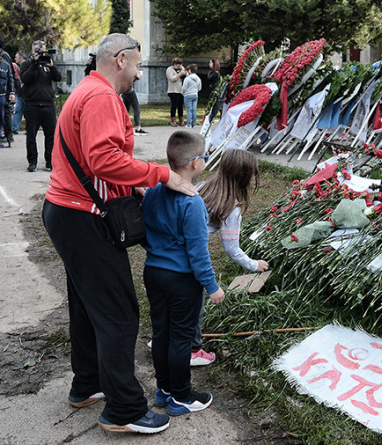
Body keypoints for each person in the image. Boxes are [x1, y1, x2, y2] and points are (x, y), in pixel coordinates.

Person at [42, 33, 196, 435]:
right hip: (83, 217)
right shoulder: (102, 96)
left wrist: (132, 185)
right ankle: (124, 409)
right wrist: (160, 174)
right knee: (119, 312)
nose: (140, 74)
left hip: (66, 211)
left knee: (87, 306)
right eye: (139, 66)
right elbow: (103, 159)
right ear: (121, 60)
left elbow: (96, 159)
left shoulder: (87, 90)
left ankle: (87, 384)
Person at [142, 130, 225, 415]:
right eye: (205, 156)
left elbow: (146, 231)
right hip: (181, 281)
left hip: (153, 272)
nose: (205, 161)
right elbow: (198, 253)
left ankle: (164, 390)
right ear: (194, 163)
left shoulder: (153, 192)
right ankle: (181, 397)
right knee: (180, 338)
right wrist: (212, 286)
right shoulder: (192, 201)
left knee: (161, 333)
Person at [187, 148, 268, 365]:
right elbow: (232, 249)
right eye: (253, 174)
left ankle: (163, 339)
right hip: (193, 259)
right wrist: (254, 265)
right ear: (243, 176)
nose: (254, 178)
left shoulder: (203, 187)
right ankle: (193, 350)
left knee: (175, 301)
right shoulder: (231, 207)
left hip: (174, 251)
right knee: (194, 306)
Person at [20, 40, 60, 172]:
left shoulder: (47, 63)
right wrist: (34, 64)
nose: (41, 53)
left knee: (50, 135)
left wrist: (52, 67)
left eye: (42, 51)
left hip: (48, 104)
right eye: (38, 51)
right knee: (31, 135)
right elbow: (25, 79)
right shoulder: (26, 64)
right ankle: (32, 162)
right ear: (32, 51)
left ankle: (50, 161)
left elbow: (58, 78)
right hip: (32, 104)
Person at [165, 58, 187, 127]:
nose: (179, 67)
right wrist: (179, 74)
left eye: (180, 65)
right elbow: (172, 78)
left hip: (181, 90)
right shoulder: (169, 69)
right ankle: (173, 120)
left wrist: (185, 73)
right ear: (174, 64)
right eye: (177, 65)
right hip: (173, 90)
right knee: (174, 106)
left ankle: (181, 120)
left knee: (180, 106)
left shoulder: (182, 68)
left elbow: (187, 76)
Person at [181, 64, 201, 128]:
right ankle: (193, 123)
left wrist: (183, 93)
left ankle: (189, 124)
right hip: (195, 94)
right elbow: (199, 88)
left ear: (189, 71)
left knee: (189, 110)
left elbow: (184, 88)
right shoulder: (198, 79)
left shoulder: (187, 79)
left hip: (188, 95)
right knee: (194, 109)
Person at [12, 52, 26, 135]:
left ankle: (29, 128)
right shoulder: (17, 67)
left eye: (16, 57)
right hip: (19, 92)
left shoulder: (26, 66)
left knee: (26, 111)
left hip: (25, 92)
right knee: (18, 110)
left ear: (21, 57)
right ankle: (14, 128)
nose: (15, 58)